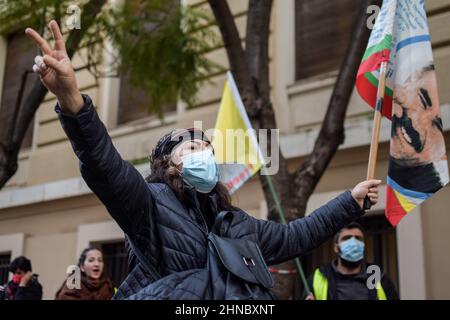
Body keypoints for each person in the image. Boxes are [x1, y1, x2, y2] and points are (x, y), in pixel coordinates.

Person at [25, 20, 381, 300]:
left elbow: (295, 236)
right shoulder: (150, 206)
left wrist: (350, 201)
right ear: (168, 164)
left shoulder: (238, 223)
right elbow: (105, 167)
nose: (204, 153)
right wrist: (73, 103)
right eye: (191, 147)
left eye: (207, 148)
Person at [306, 222, 399, 300]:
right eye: (346, 238)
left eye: (358, 238)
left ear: (363, 245)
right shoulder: (319, 277)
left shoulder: (377, 276)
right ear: (336, 247)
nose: (353, 243)